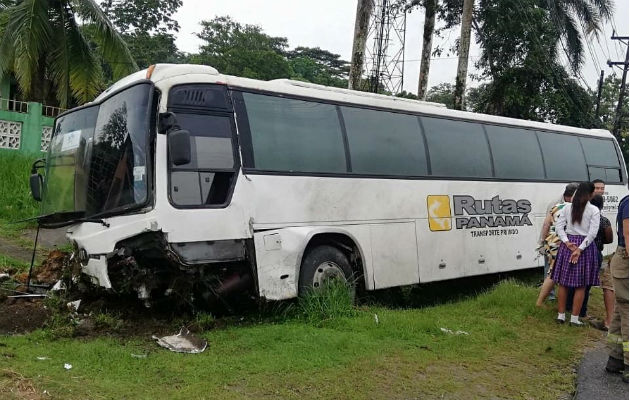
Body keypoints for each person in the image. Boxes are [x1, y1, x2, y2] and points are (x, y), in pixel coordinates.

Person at [551, 182, 600, 326]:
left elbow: (559, 227)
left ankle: (561, 316)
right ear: (590, 194)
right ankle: (574, 319)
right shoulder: (594, 210)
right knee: (581, 285)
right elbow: (592, 233)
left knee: (563, 283)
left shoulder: (567, 207)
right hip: (585, 247)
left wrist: (567, 243)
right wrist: (579, 249)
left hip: (568, 245)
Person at [536, 183, 578, 306]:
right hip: (559, 243)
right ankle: (550, 296)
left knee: (552, 270)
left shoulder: (558, 206)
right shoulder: (558, 205)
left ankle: (551, 296)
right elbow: (546, 225)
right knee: (553, 271)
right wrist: (542, 242)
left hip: (553, 242)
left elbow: (546, 224)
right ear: (571, 196)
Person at [605, 194, 628, 382]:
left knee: (622, 311)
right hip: (626, 261)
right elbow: (628, 233)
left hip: (623, 261)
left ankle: (616, 358)